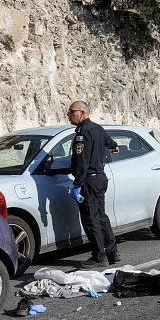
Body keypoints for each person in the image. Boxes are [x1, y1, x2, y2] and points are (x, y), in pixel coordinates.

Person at [67, 100, 122, 268]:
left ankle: (99, 256)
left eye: (72, 112)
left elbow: (81, 162)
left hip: (89, 181)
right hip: (100, 178)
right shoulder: (98, 128)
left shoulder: (82, 134)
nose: (69, 115)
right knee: (101, 216)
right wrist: (114, 147)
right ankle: (113, 252)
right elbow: (111, 143)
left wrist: (78, 183)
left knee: (91, 219)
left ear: (82, 113)